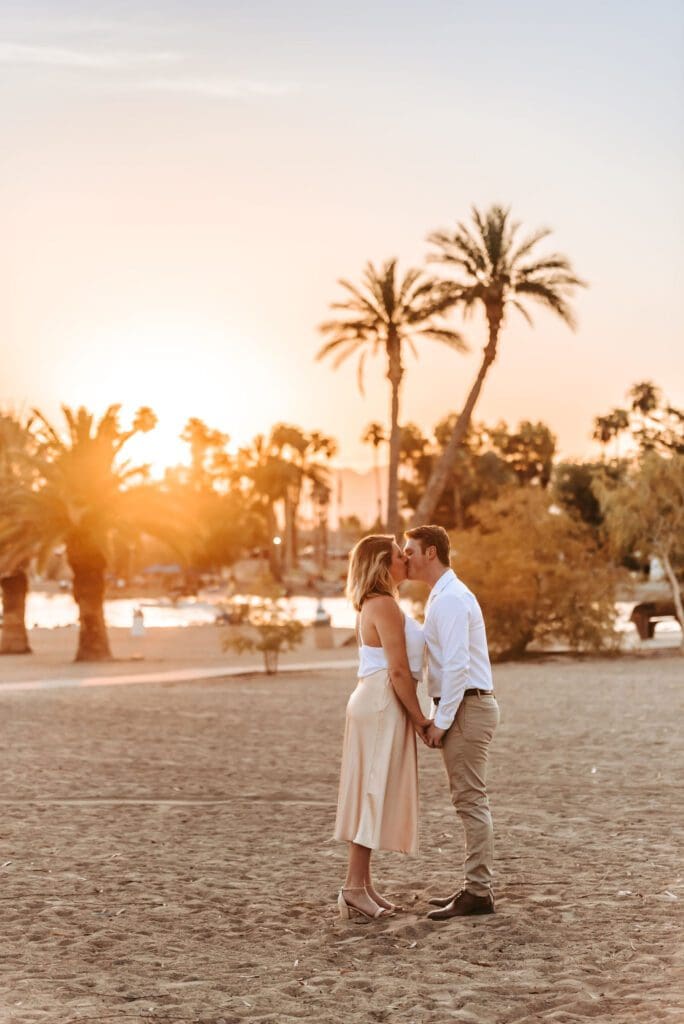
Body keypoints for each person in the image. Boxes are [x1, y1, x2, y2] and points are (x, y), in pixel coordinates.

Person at [404, 524, 500, 919]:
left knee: (471, 800)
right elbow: (443, 666)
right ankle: (474, 888)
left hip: (467, 709)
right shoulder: (442, 596)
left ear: (430, 553)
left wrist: (441, 721)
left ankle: (478, 892)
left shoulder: (450, 599)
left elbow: (458, 666)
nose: (405, 557)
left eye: (410, 550)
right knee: (468, 799)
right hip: (463, 706)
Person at [334, 534, 430, 921]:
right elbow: (398, 669)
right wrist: (421, 719)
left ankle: (363, 885)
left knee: (371, 788)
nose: (404, 559)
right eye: (396, 556)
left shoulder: (375, 604)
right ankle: (354, 888)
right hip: (380, 701)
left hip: (373, 699)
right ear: (381, 566)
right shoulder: (384, 605)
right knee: (372, 789)